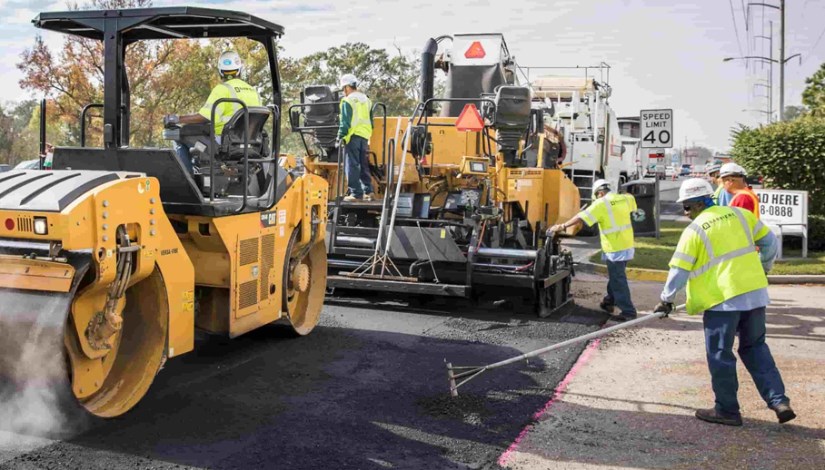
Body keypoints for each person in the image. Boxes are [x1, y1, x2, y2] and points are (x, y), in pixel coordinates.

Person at [654, 178, 794, 426]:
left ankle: (727, 411)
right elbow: (770, 243)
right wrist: (763, 267)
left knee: (720, 354)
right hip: (754, 295)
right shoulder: (741, 216)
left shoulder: (695, 230)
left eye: (686, 207)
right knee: (756, 348)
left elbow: (679, 269)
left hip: (722, 303)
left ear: (696, 205)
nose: (686, 213)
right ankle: (779, 400)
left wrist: (666, 299)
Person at [549, 179, 637, 321]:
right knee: (616, 276)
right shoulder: (626, 198)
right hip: (627, 245)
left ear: (600, 193)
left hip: (614, 247)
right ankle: (609, 301)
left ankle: (628, 311)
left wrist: (562, 226)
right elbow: (631, 201)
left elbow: (581, 217)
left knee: (618, 279)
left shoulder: (601, 203)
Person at [168, 51, 262, 173]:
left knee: (179, 134)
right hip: (251, 145)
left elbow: (205, 117)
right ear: (239, 70)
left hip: (223, 144)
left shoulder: (222, 89)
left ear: (220, 72)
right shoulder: (253, 92)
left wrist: (177, 119)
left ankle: (186, 180)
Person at [336, 73, 375, 202]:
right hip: (364, 136)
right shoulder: (367, 100)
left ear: (347, 87)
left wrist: (340, 137)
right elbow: (371, 121)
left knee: (352, 164)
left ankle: (356, 193)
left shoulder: (348, 101)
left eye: (343, 89)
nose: (343, 92)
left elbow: (345, 123)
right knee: (363, 164)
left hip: (352, 136)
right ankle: (368, 191)